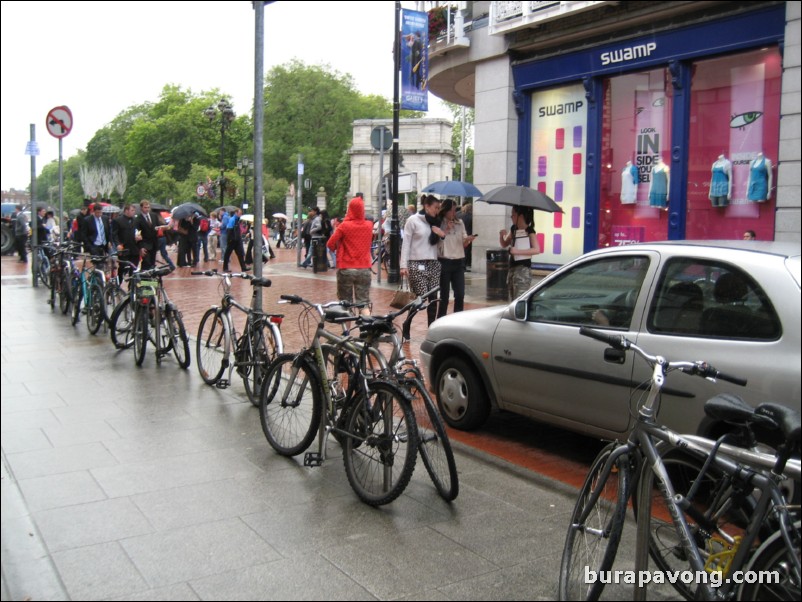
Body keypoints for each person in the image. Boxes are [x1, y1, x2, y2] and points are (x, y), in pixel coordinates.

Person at [401, 194, 445, 336]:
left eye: (439, 208)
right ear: (426, 206)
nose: (437, 211)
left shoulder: (436, 222)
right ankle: (407, 323)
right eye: (435, 208)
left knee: (433, 299)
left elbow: (439, 248)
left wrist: (442, 235)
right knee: (420, 299)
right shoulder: (412, 221)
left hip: (433, 263)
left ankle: (431, 330)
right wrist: (403, 265)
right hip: (416, 263)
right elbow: (406, 243)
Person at [327, 197, 374, 315]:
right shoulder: (369, 225)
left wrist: (339, 247)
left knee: (345, 304)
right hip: (364, 268)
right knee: (363, 303)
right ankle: (368, 329)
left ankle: (347, 332)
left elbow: (330, 243)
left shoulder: (344, 226)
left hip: (346, 268)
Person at [437, 199, 476, 318]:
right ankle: (441, 319)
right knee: (444, 296)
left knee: (460, 294)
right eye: (452, 211)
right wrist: (447, 229)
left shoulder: (460, 223)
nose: (454, 213)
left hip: (458, 262)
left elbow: (463, 243)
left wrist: (468, 240)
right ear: (445, 211)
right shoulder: (439, 223)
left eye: (455, 210)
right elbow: (437, 243)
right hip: (444, 261)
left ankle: (457, 319)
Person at [499, 205, 540, 299]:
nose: (511, 217)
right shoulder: (513, 228)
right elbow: (505, 243)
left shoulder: (529, 231)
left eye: (513, 214)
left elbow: (536, 249)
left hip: (523, 270)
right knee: (512, 298)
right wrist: (502, 236)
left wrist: (517, 251)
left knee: (519, 299)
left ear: (520, 216)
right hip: (512, 268)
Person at [111, 203, 140, 274]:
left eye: (134, 210)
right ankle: (119, 281)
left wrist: (139, 236)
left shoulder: (135, 220)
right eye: (132, 210)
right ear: (126, 211)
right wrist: (117, 244)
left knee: (134, 268)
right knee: (123, 267)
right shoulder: (117, 220)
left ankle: (132, 284)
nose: (134, 212)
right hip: (124, 248)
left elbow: (138, 231)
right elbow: (114, 234)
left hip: (134, 248)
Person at [135, 199, 163, 270]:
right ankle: (145, 279)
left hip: (154, 243)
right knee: (146, 264)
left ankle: (151, 279)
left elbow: (157, 227)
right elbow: (138, 234)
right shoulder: (138, 219)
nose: (147, 209)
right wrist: (141, 247)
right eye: (145, 207)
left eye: (148, 207)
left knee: (152, 263)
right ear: (141, 208)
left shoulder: (154, 216)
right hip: (145, 244)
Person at [223, 208, 247, 272]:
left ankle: (243, 267)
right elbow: (229, 230)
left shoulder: (238, 220)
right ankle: (225, 268)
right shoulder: (232, 219)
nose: (240, 214)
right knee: (227, 254)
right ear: (236, 213)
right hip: (232, 240)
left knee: (240, 254)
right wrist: (230, 239)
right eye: (240, 213)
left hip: (237, 240)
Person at [457, 202, 474, 271]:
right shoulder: (472, 217)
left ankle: (462, 265)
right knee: (467, 251)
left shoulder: (459, 216)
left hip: (460, 235)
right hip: (468, 235)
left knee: (462, 251)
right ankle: (465, 265)